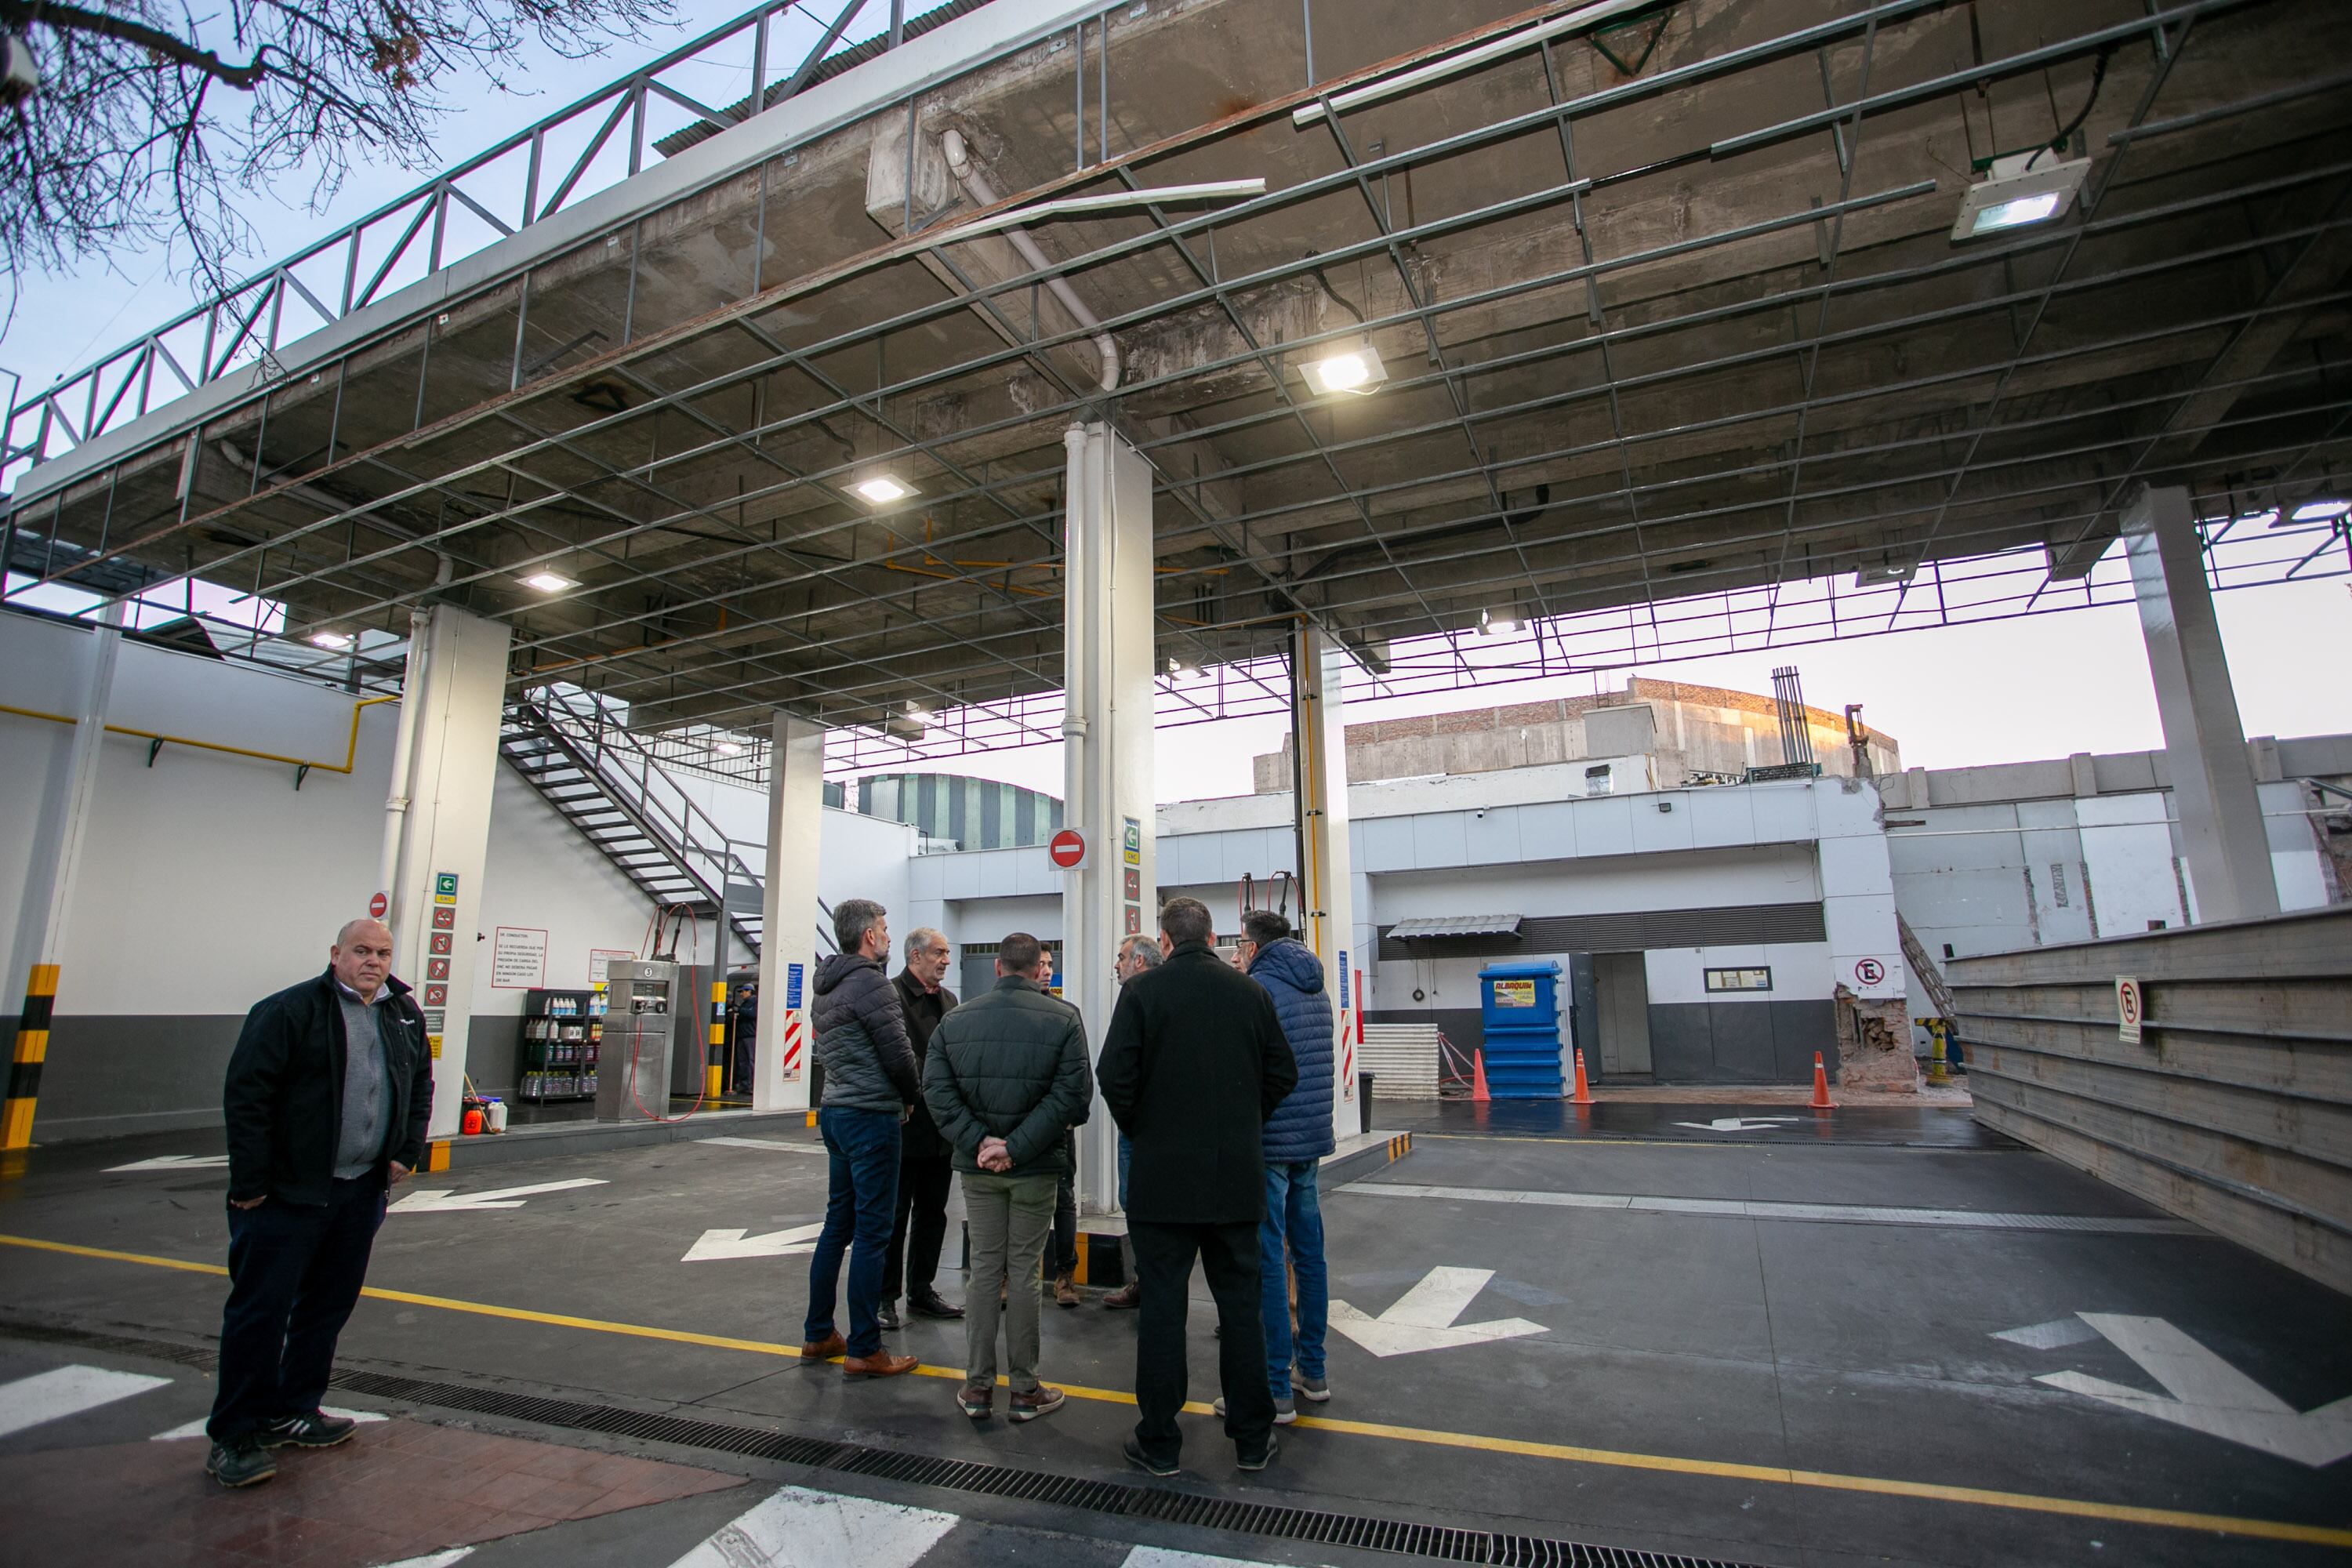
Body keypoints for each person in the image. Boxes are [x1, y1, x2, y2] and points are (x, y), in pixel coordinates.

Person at [205, 918, 432, 1489]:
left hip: (359, 1192)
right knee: (260, 1313)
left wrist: (406, 1151)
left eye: (382, 952)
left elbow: (420, 1086)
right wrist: (251, 1183)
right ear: (335, 954)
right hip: (286, 1195)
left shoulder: (402, 1014)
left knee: (326, 1308)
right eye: (361, 951)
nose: (373, 961)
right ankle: (235, 1434)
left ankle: (294, 1409)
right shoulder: (288, 1011)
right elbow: (248, 1095)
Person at [1098, 897, 1297, 1477]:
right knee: (1242, 1308)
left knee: (1162, 1309)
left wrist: (1148, 1130)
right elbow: (1282, 1072)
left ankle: (1159, 1444)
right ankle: (1253, 1441)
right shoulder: (1250, 993)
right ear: (1213, 938)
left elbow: (1114, 1077)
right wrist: (1240, 1123)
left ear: (1164, 942)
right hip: (1236, 1180)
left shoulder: (1142, 994)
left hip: (1163, 1185)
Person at [922, 931, 1093, 1424]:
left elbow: (936, 1091)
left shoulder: (955, 1021)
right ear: (1039, 968)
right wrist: (1016, 1148)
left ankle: (977, 1389)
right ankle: (1024, 1390)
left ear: (997, 968)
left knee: (982, 1272)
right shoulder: (1064, 1019)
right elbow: (1073, 1099)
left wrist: (980, 1143)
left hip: (978, 1171)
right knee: (1024, 1273)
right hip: (1036, 1169)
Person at [800, 898, 921, 1381]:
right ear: (869, 936)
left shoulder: (825, 987)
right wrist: (912, 1097)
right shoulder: (872, 983)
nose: (890, 936)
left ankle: (819, 1333)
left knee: (837, 1226)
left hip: (834, 1113)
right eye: (886, 929)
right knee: (874, 1234)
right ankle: (866, 1347)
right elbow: (898, 1053)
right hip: (872, 1117)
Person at [1237, 909, 1335, 1424]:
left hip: (1273, 1138)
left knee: (1271, 1259)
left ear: (1253, 947)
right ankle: (1313, 1371)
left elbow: (1253, 1067)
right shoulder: (1315, 982)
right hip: (1312, 1135)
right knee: (1310, 1253)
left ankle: (1275, 1387)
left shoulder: (1260, 990)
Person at [881, 927, 961, 1330]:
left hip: (941, 1130)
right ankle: (885, 1297)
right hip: (904, 1125)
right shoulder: (891, 996)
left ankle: (922, 1289)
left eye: (947, 953)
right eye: (939, 953)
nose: (946, 960)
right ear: (915, 957)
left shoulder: (949, 1001)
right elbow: (899, 1058)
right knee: (894, 1216)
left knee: (933, 1214)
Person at [1099, 933, 1161, 1312]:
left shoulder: (1136, 993)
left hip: (1140, 1128)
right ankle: (1149, 1282)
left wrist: (1129, 1120)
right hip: (1161, 1125)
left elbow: (1112, 1070)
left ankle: (1149, 1284)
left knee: (1137, 1205)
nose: (1117, 965)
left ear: (1139, 960)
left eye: (1121, 957)